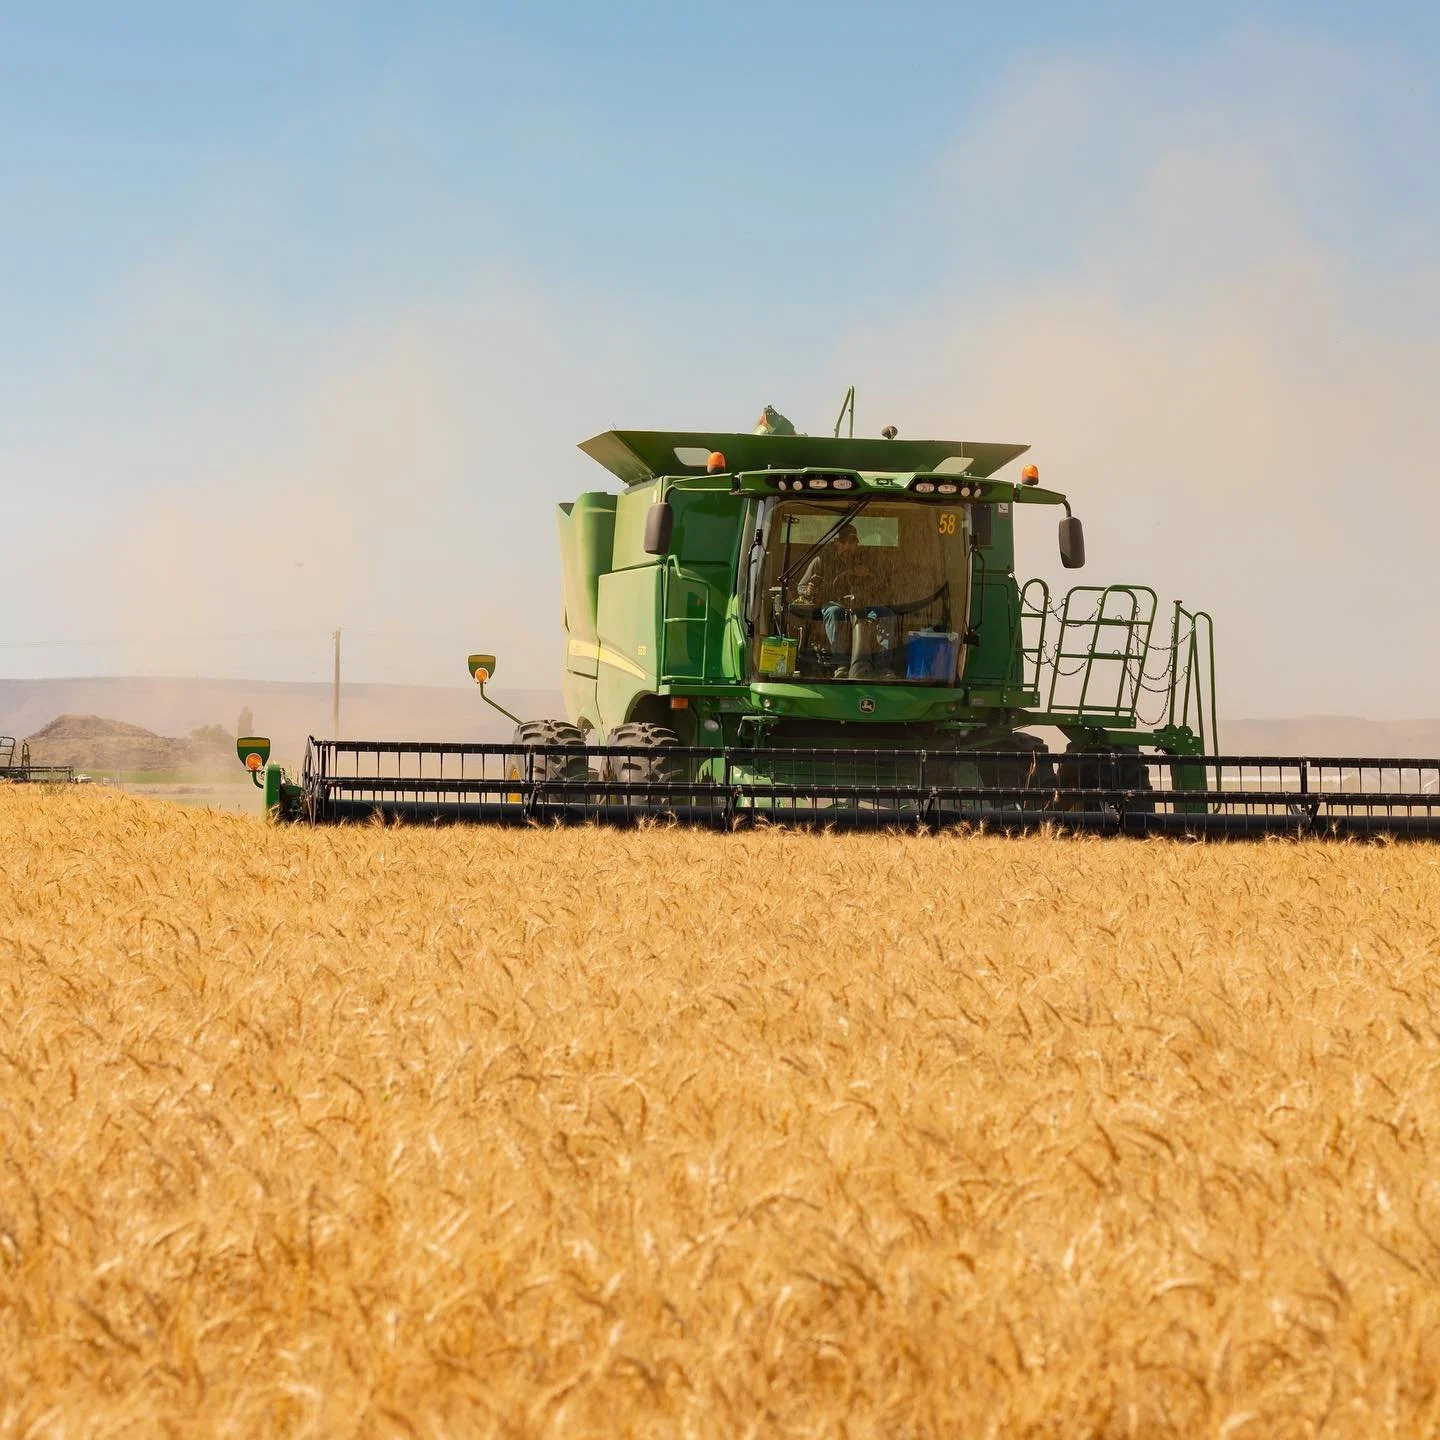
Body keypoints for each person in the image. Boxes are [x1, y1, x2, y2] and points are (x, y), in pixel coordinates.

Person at [798, 524, 895, 674]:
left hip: (863, 604)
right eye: (845, 543)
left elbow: (883, 585)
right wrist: (809, 589)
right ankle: (841, 664)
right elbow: (801, 587)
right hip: (835, 603)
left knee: (886, 614)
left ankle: (882, 665)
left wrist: (869, 574)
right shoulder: (822, 560)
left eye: (853, 543)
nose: (849, 547)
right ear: (836, 542)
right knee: (834, 612)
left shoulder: (865, 559)